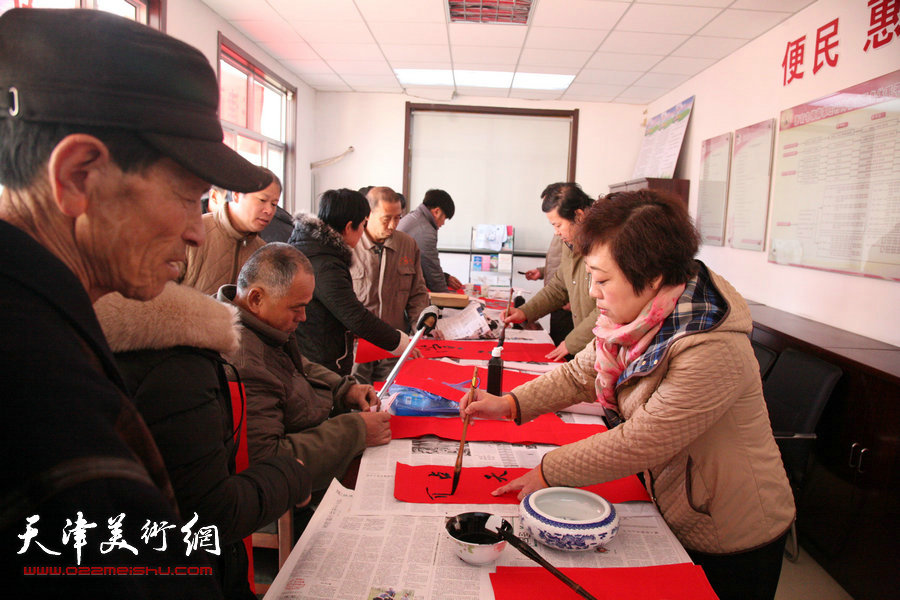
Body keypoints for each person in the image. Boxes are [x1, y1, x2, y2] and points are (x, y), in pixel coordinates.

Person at [0, 8, 272, 597]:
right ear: (77, 176)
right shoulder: (38, 388)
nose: (199, 231)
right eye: (189, 196)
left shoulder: (49, 320)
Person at [461, 190, 795, 600]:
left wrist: (550, 470)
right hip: (671, 500)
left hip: (730, 529)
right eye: (590, 277)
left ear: (652, 277)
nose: (593, 292)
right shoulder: (639, 321)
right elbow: (579, 373)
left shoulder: (712, 347)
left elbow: (643, 440)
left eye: (602, 279)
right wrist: (510, 403)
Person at [95, 283, 312, 599]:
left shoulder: (83, 337)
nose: (196, 236)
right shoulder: (177, 359)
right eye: (297, 306)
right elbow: (212, 512)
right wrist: (294, 474)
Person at [219, 244, 392, 491]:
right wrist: (356, 431)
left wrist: (343, 390)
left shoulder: (263, 327)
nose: (303, 317)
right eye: (296, 308)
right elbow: (267, 459)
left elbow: (297, 365)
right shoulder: (243, 363)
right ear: (256, 298)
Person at [290, 189, 413, 375]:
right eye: (363, 224)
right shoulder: (324, 263)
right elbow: (354, 315)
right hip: (318, 359)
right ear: (349, 227)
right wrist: (401, 343)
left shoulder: (315, 248)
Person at [503, 182, 598, 360]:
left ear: (578, 215)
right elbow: (559, 287)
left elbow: (606, 309)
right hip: (589, 348)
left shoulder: (602, 247)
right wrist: (525, 312)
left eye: (558, 225)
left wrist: (572, 342)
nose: (556, 233)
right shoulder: (571, 243)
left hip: (602, 349)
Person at [350, 186, 430, 384]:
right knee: (354, 398)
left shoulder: (407, 245)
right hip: (356, 345)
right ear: (367, 215)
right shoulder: (349, 245)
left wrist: (418, 325)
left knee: (389, 399)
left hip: (393, 342)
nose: (393, 225)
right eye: (387, 219)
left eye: (398, 218)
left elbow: (417, 292)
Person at [181, 168, 282, 294]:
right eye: (262, 200)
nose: (269, 210)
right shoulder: (191, 231)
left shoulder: (264, 252)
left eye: (274, 204)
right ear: (236, 195)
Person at [397, 188, 463, 293]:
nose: (443, 224)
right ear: (436, 211)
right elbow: (430, 267)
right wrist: (447, 298)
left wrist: (445, 278)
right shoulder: (425, 230)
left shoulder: (416, 217)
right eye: (444, 218)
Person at [522, 234, 575, 346]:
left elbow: (574, 268)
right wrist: (542, 271)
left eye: (558, 224)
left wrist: (575, 302)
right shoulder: (562, 232)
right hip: (558, 298)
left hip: (567, 301)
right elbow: (560, 266)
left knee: (563, 344)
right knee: (556, 340)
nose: (557, 231)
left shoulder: (574, 236)